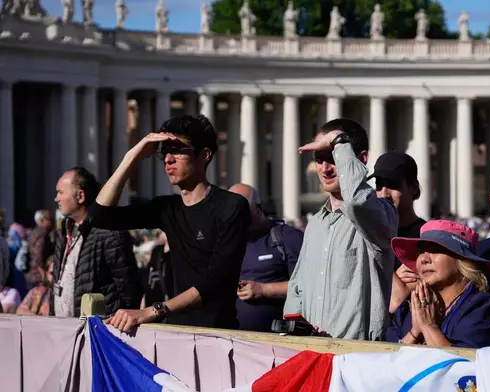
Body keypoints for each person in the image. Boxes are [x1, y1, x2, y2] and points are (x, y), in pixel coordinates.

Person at [88, 115, 250, 331]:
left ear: (204, 155)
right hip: (175, 333)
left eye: (178, 150)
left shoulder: (232, 205)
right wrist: (131, 157)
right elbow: (100, 216)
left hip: (218, 334)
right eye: (164, 152)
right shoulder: (167, 208)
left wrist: (153, 311)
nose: (168, 159)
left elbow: (215, 282)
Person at [284, 118, 398, 340]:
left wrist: (339, 142)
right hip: (311, 353)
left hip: (356, 357)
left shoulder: (382, 214)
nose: (325, 169)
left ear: (361, 159)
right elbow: (297, 288)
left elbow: (357, 201)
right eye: (319, 160)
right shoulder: (316, 223)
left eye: (333, 158)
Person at [386, 220, 490, 348]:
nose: (424, 259)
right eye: (421, 252)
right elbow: (387, 361)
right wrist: (414, 332)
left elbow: (464, 364)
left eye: (434, 250)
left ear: (461, 260)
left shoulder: (482, 307)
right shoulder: (408, 309)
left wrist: (429, 327)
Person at [49, 167, 141, 318]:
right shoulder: (63, 232)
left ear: (80, 196)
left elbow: (129, 291)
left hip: (98, 332)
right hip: (64, 331)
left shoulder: (110, 232)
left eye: (61, 192)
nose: (56, 199)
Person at [229, 184, 303, 332]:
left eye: (240, 209)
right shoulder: (226, 242)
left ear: (258, 208)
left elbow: (309, 287)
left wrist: (263, 289)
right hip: (233, 341)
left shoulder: (288, 237)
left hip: (276, 342)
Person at [369, 151, 426, 314]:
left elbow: (398, 300)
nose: (384, 194)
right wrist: (395, 277)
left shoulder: (427, 237)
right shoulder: (366, 233)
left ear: (414, 189)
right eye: (379, 186)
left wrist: (385, 276)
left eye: (393, 185)